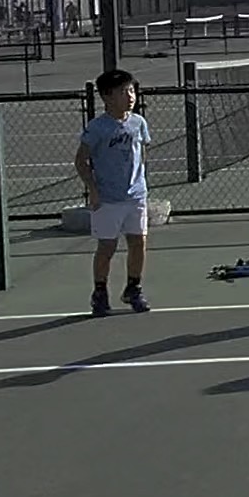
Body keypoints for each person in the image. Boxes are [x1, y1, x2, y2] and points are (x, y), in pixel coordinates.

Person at [74, 69, 151, 316]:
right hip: (108, 199)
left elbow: (143, 152)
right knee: (107, 246)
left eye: (131, 90)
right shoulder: (98, 127)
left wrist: (140, 182)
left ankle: (133, 288)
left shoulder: (138, 122)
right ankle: (100, 292)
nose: (130, 96)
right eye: (122, 92)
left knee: (138, 242)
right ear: (107, 97)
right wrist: (93, 191)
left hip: (136, 196)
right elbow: (81, 160)